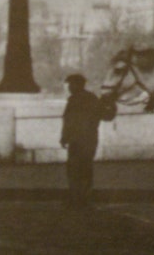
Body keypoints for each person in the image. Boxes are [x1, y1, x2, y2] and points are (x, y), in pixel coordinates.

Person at [60, 73, 102, 208]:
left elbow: (68, 121)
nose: (69, 87)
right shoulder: (92, 99)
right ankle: (84, 198)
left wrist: (64, 137)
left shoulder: (73, 100)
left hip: (77, 140)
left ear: (78, 85)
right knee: (85, 168)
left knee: (74, 169)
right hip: (89, 139)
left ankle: (76, 198)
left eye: (71, 84)